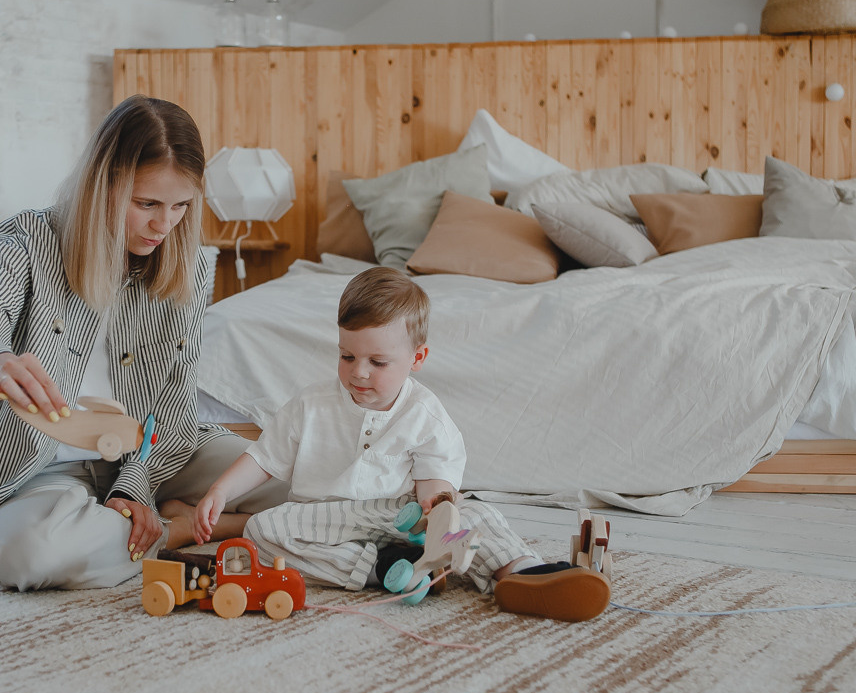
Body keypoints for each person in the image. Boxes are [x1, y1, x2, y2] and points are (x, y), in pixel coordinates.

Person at [0, 95, 285, 588]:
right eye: (146, 203)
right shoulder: (29, 239)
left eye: (180, 206)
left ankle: (147, 521)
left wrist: (134, 485)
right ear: (103, 184)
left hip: (162, 456)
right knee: (33, 556)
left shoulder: (188, 263)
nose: (163, 224)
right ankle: (174, 530)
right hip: (45, 468)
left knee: (312, 491)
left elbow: (173, 400)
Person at [191, 266, 610, 622]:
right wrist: (221, 491)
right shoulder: (310, 404)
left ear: (418, 358)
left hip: (400, 519)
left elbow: (436, 482)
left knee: (476, 514)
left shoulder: (424, 413)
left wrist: (436, 508)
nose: (359, 373)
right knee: (263, 530)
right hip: (324, 519)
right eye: (347, 356)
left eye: (378, 362)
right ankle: (386, 571)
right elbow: (264, 458)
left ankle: (522, 572)